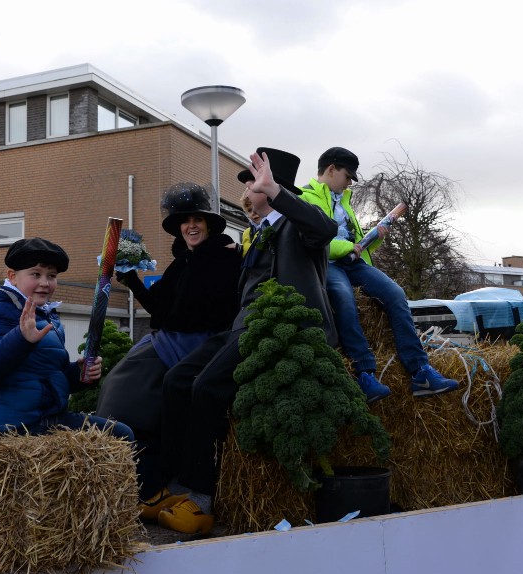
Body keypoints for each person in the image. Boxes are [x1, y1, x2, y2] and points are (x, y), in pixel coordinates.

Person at [157, 147, 338, 535]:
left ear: (274, 189)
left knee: (207, 387)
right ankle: (173, 482)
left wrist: (277, 191)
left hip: (282, 328)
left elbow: (326, 230)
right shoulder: (254, 234)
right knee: (176, 380)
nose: (247, 193)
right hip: (242, 325)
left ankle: (200, 497)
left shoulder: (298, 225)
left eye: (253, 185)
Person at [96, 182, 240, 516]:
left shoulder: (225, 257)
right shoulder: (181, 264)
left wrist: (241, 248)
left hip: (201, 344)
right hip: (166, 339)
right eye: (183, 220)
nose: (191, 225)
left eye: (197, 219)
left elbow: (215, 310)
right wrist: (131, 281)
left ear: (208, 223)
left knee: (128, 390)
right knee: (117, 384)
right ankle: (127, 471)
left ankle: (163, 477)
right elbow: (161, 309)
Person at [299, 147, 459, 402]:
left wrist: (373, 239)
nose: (350, 182)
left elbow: (355, 242)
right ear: (331, 170)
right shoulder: (304, 199)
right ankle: (364, 374)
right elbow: (313, 241)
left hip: (354, 262)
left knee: (396, 294)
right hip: (328, 263)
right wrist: (349, 247)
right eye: (347, 176)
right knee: (344, 300)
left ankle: (420, 371)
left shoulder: (344, 201)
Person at [0, 237, 133, 440]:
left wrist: (78, 373)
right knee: (119, 435)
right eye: (36, 274)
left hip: (44, 418)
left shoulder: (44, 314)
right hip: (13, 426)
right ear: (13, 277)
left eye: (51, 276)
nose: (45, 283)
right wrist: (21, 339)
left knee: (118, 434)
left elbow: (44, 377)